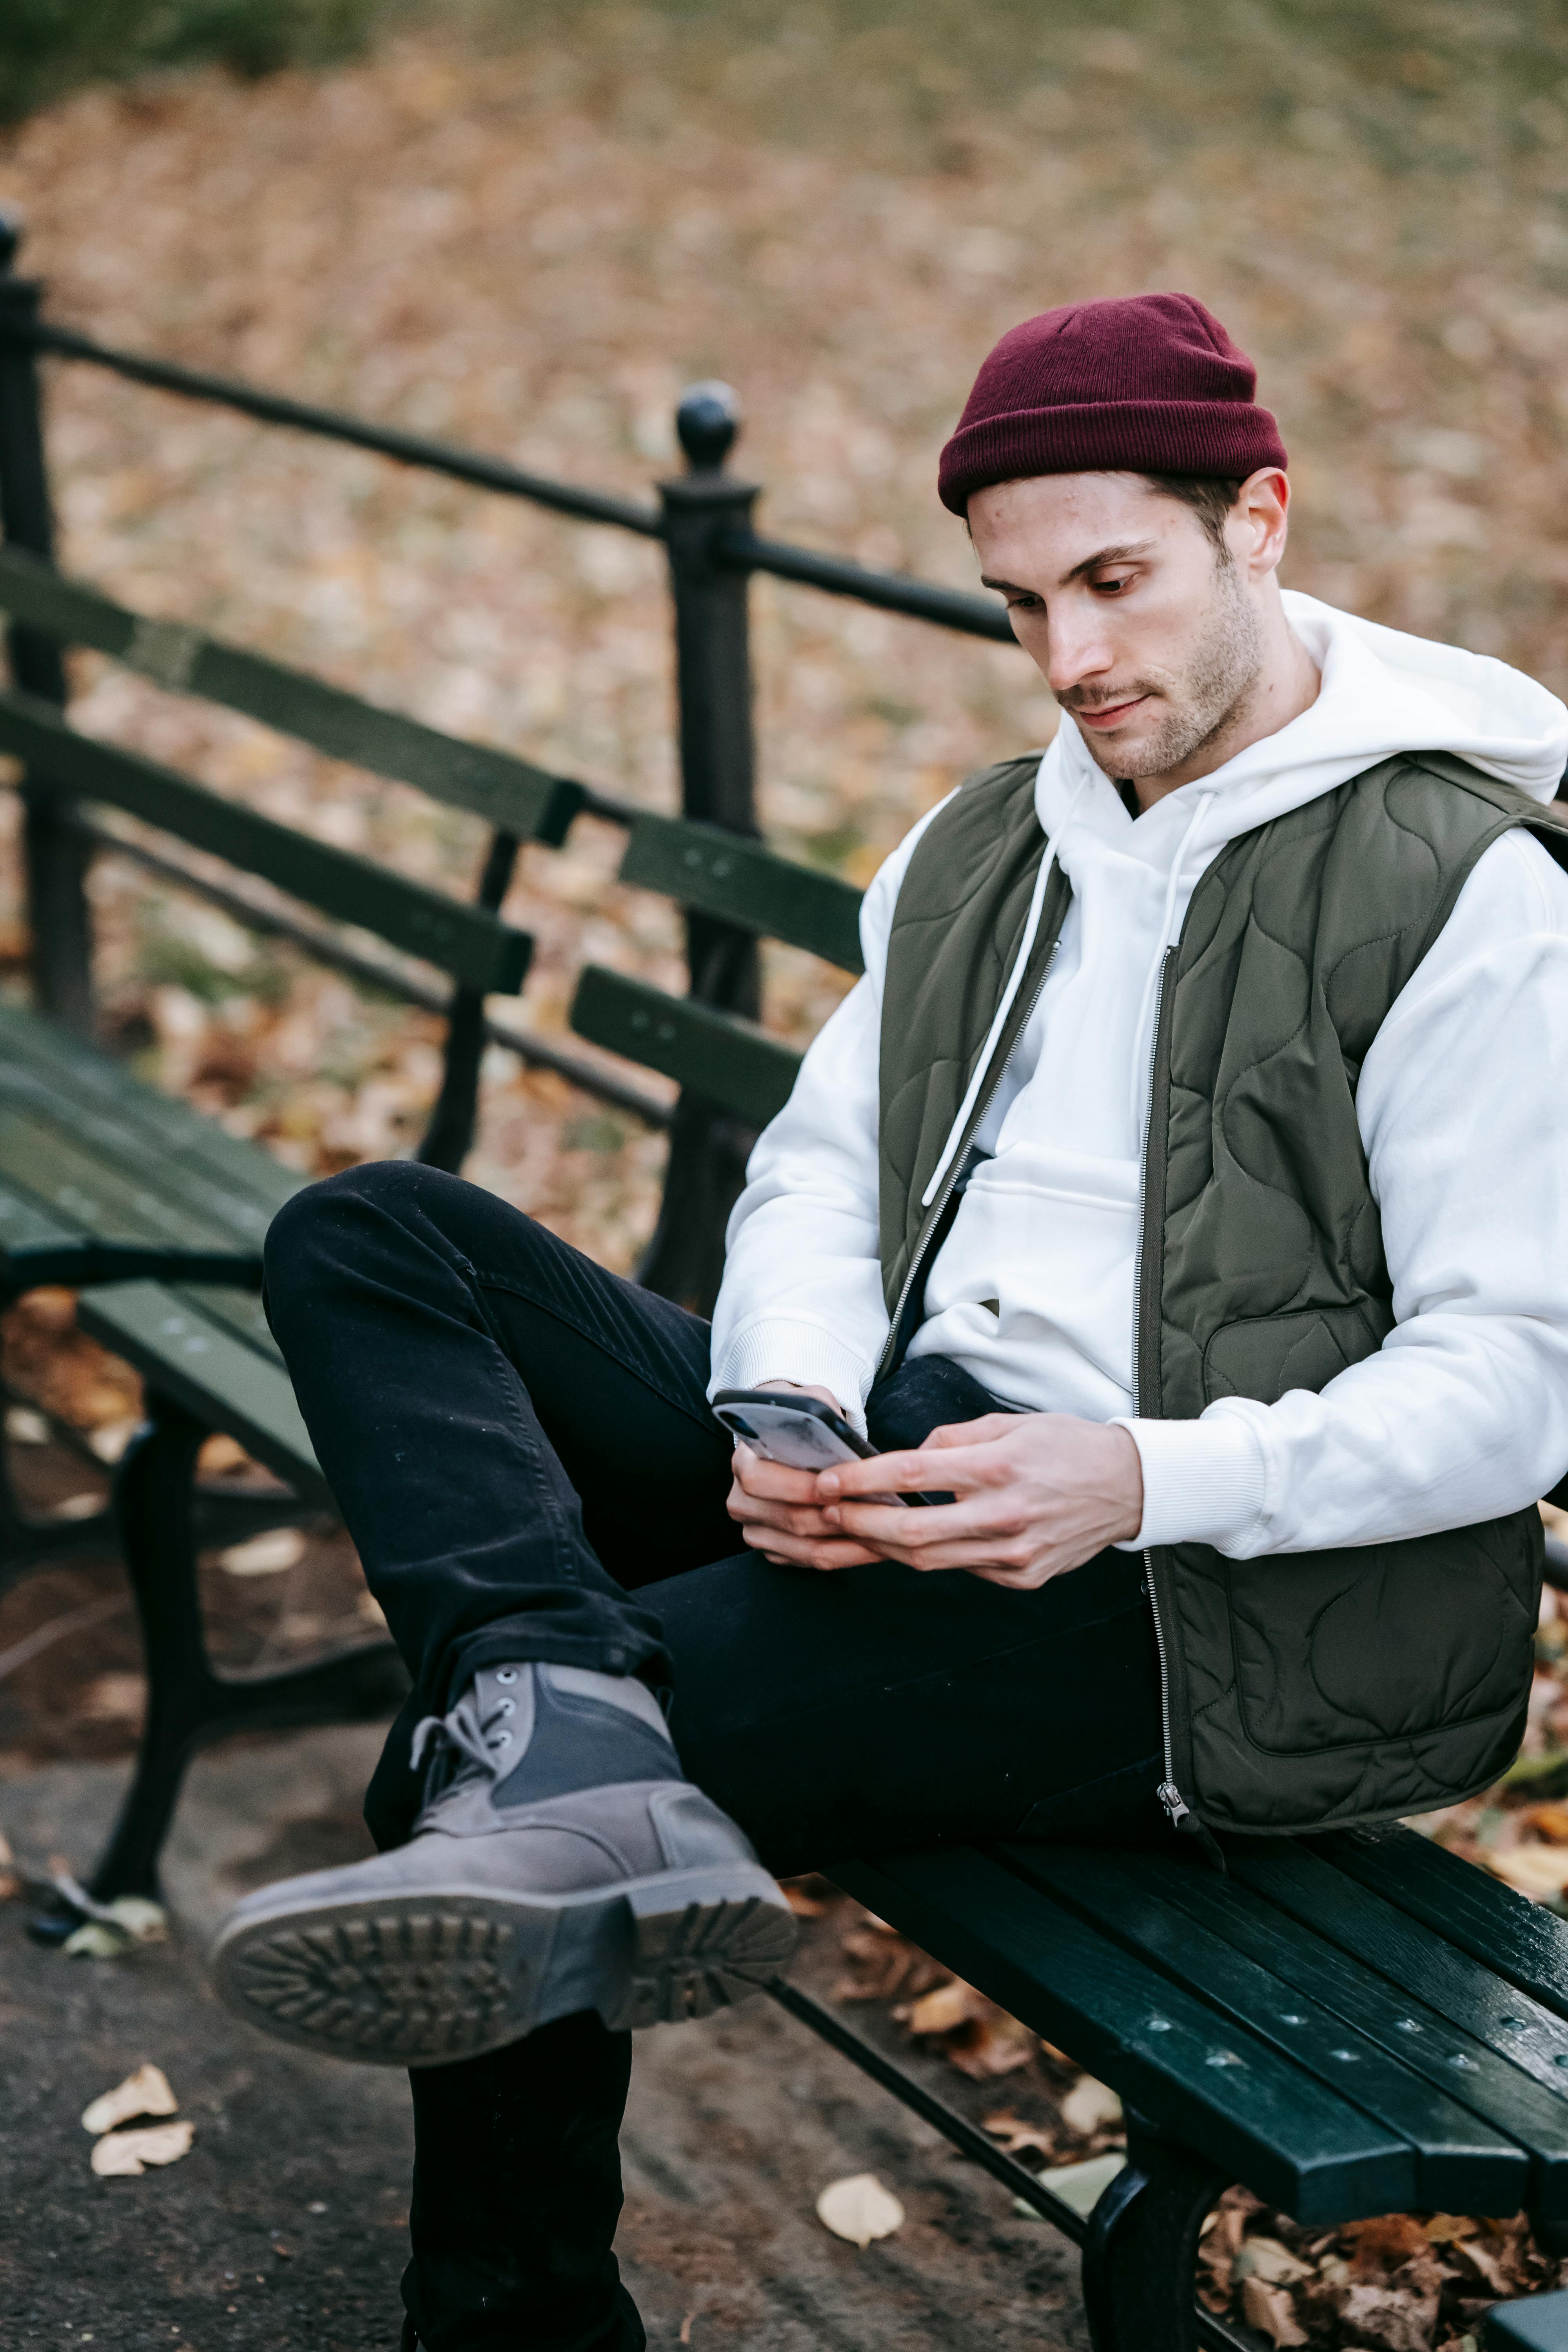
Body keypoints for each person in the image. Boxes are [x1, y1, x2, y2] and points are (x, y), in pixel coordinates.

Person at [211, 292, 1568, 2351]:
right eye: (1022, 605)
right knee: (376, 1233)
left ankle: (512, 2305)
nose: (1072, 658)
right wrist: (788, 1409)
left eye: (1115, 582)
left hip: (1197, 1604)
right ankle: (562, 1707)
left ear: (1262, 520)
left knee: (463, 1820)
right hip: (924, 1459)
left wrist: (1130, 1478)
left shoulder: (1468, 890)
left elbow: (1520, 1381)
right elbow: (826, 1178)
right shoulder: (983, 846)